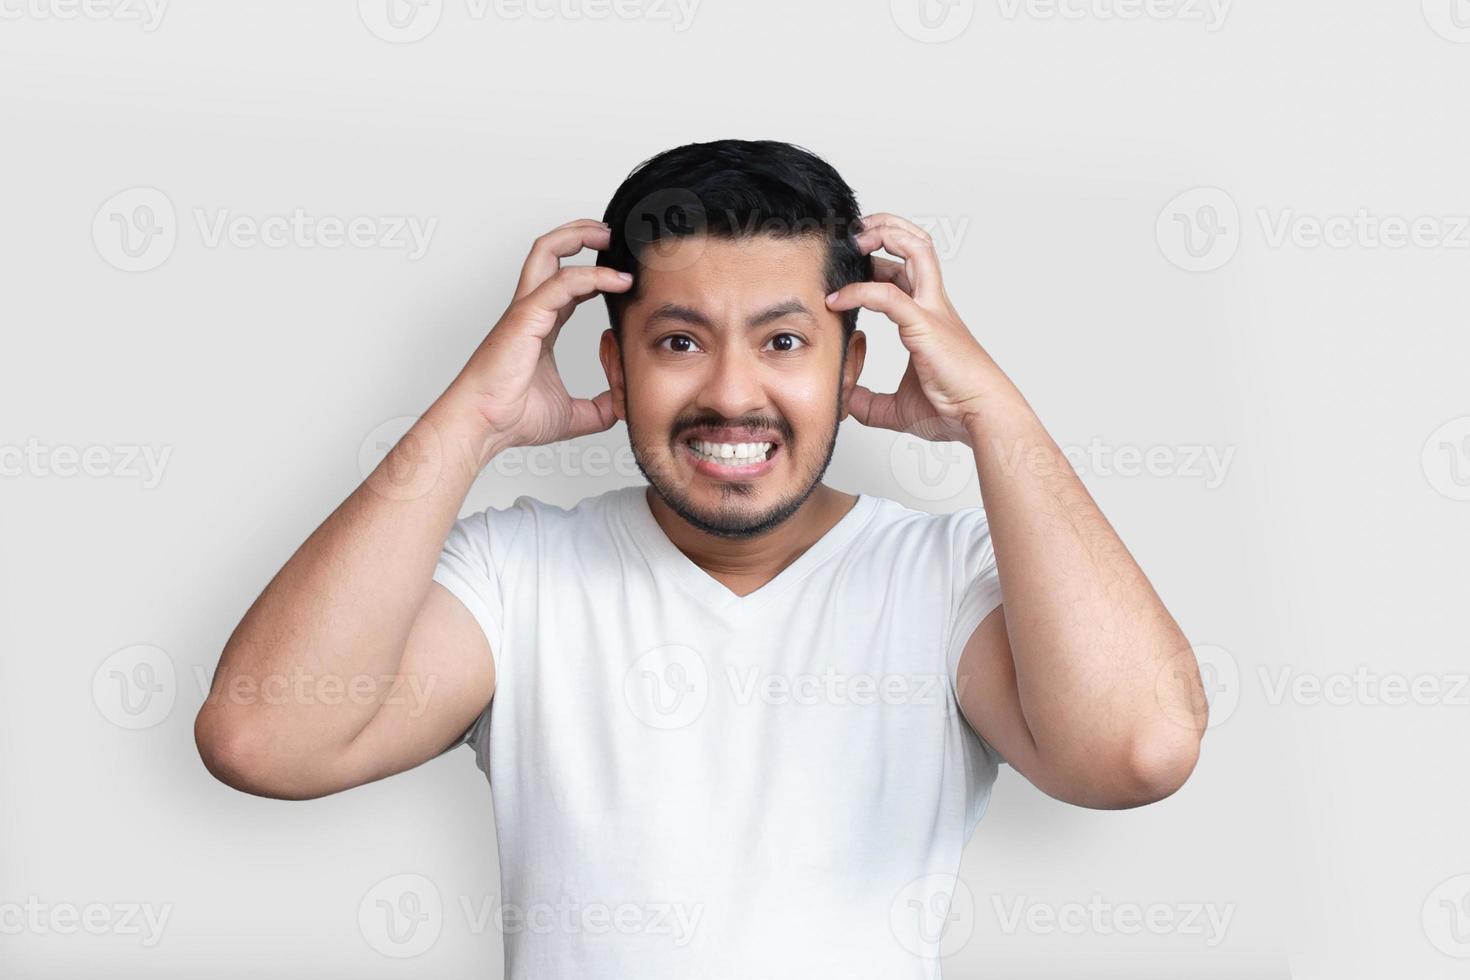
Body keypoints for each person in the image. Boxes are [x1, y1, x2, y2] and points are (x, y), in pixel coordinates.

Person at [194, 139, 1208, 977]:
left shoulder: (946, 577)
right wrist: (473, 418)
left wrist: (998, 415)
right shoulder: (519, 576)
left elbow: (1138, 751)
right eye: (679, 343)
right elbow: (260, 739)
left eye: (783, 342)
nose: (732, 392)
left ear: (854, 359)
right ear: (616, 366)